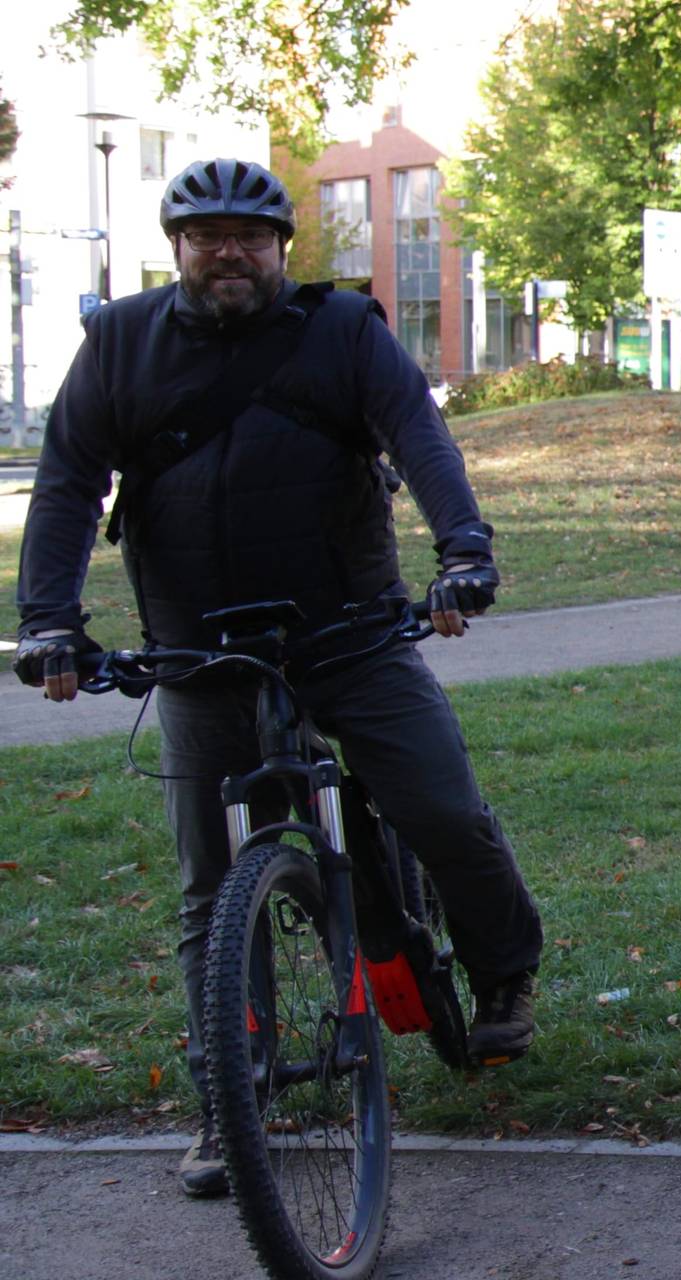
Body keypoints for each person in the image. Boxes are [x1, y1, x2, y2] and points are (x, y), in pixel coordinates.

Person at [12, 158, 546, 1197]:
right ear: (176, 248)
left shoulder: (340, 330)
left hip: (349, 628)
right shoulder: (121, 342)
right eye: (206, 235)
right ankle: (232, 1100)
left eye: (249, 236)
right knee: (213, 887)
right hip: (198, 651)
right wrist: (49, 621)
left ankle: (503, 965)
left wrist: (463, 550)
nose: (228, 252)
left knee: (439, 804)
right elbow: (73, 477)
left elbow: (418, 435)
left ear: (281, 249)